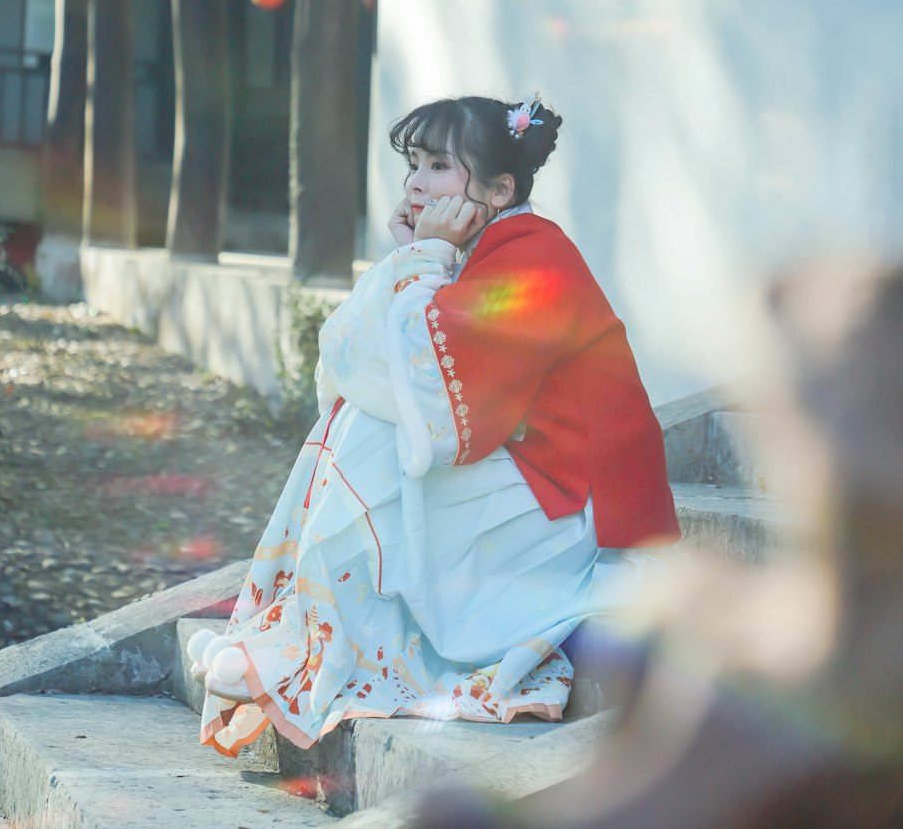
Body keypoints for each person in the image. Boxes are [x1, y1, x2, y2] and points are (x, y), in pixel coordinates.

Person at [188, 93, 680, 760]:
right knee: (358, 422)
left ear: (501, 189)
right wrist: (417, 256)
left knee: (371, 434)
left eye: (441, 166)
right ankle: (304, 636)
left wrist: (423, 258)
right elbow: (357, 362)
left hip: (581, 508)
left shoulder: (535, 258)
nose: (417, 182)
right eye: (414, 164)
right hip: (534, 476)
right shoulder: (481, 250)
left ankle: (320, 645)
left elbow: (418, 387)